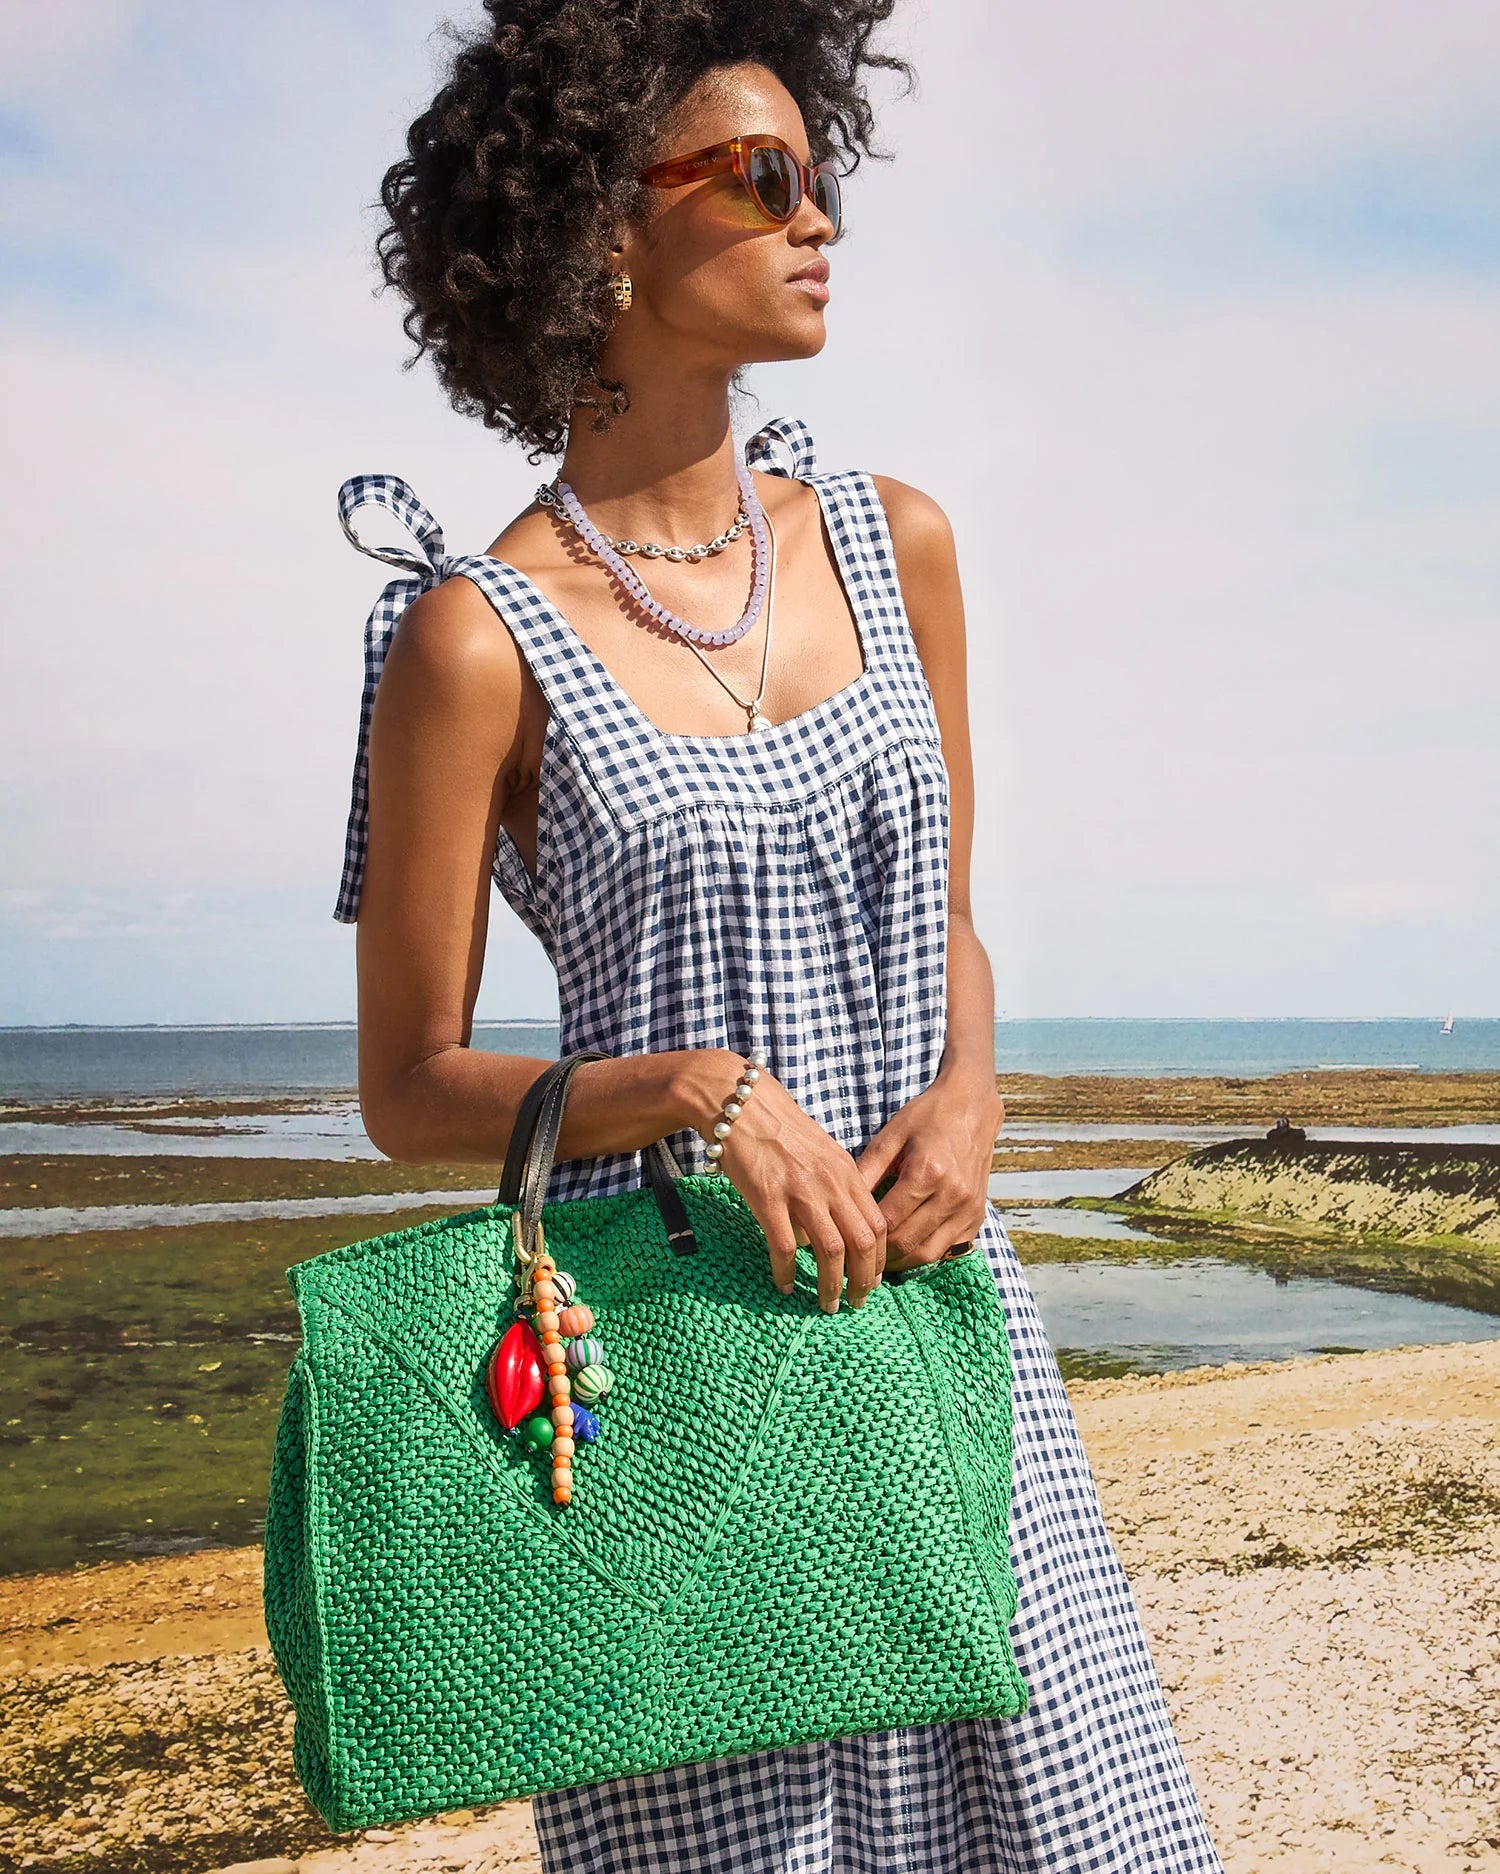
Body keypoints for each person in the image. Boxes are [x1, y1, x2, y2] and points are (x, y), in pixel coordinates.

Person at [335, 4, 1225, 1869]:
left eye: (817, 176)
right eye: (759, 178)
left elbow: (947, 915)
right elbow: (409, 1087)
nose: (817, 217)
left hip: (937, 1323)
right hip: (676, 1374)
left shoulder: (898, 544)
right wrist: (695, 1090)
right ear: (602, 224)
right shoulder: (471, 638)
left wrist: (974, 1096)